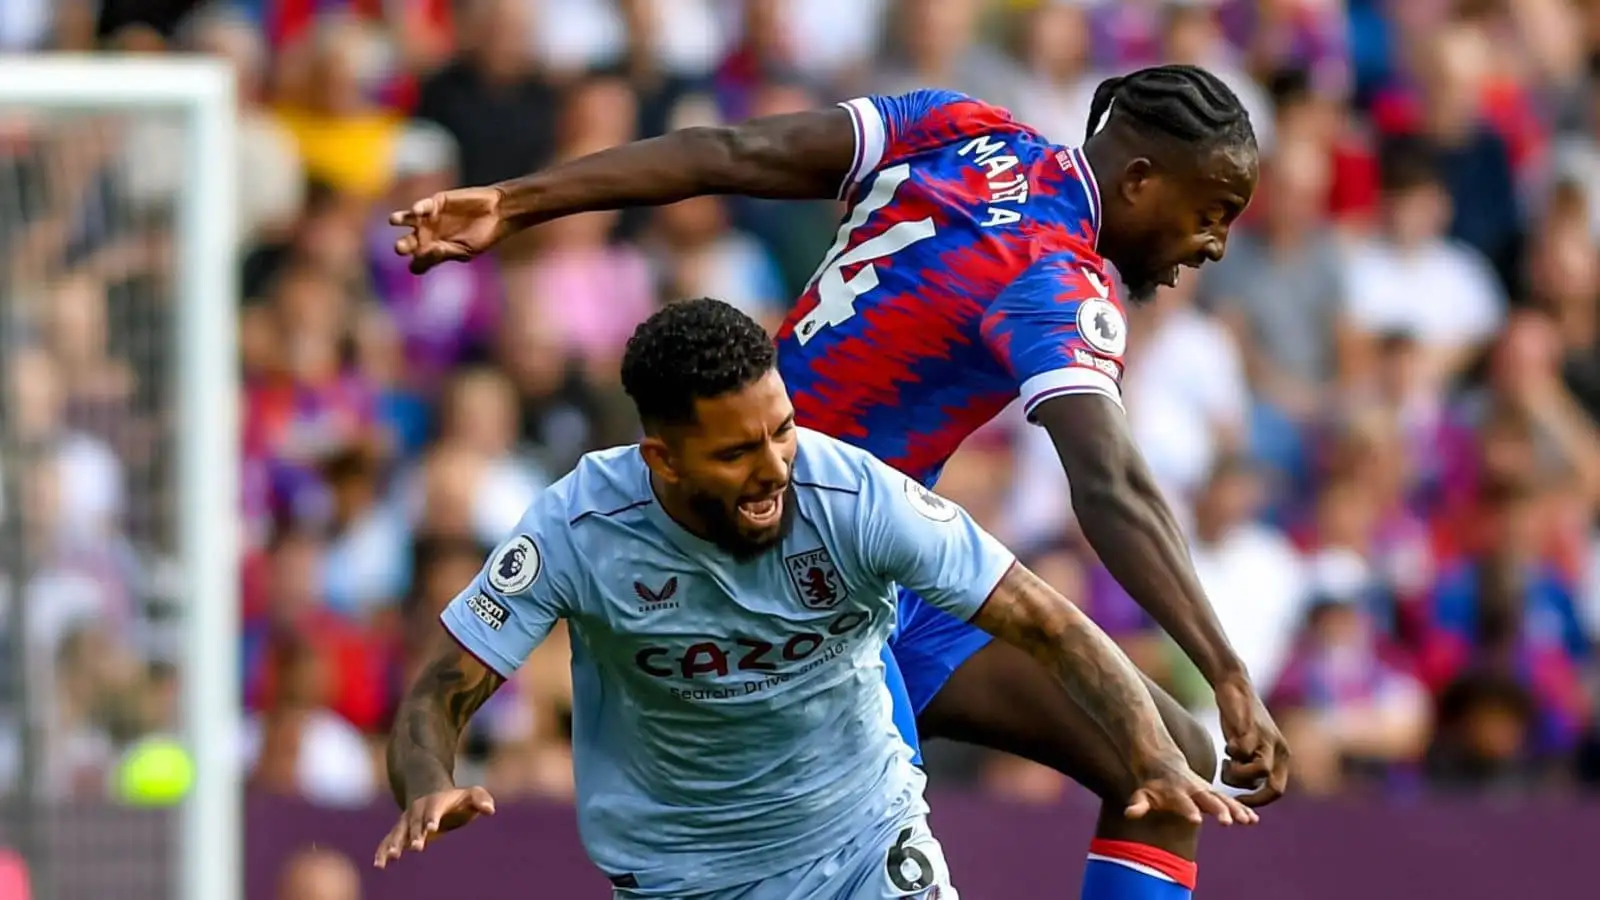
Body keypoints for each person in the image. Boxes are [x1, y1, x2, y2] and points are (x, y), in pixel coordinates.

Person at [391, 64, 1287, 899]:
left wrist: (516, 202)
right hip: (790, 562)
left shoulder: (958, 128)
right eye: (1212, 211)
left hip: (882, 554)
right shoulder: (1058, 279)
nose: (1211, 245)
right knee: (839, 846)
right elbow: (1111, 484)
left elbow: (728, 153)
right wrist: (1226, 666)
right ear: (1138, 181)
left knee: (1169, 760)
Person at [373, 299, 1254, 898]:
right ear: (663, 460)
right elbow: (442, 689)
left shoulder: (854, 497)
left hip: (864, 841)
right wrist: (427, 782)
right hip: (683, 873)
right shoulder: (577, 526)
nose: (773, 470)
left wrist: (1150, 755)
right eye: (734, 454)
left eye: (783, 429)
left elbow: (1048, 623)